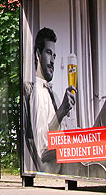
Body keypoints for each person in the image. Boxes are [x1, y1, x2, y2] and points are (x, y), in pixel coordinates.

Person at [22, 27, 75, 170]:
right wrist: (62, 111)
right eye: (48, 53)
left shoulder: (53, 95)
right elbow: (43, 150)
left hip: (69, 156)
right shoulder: (36, 93)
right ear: (38, 54)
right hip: (59, 163)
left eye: (54, 56)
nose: (52, 61)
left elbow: (54, 132)